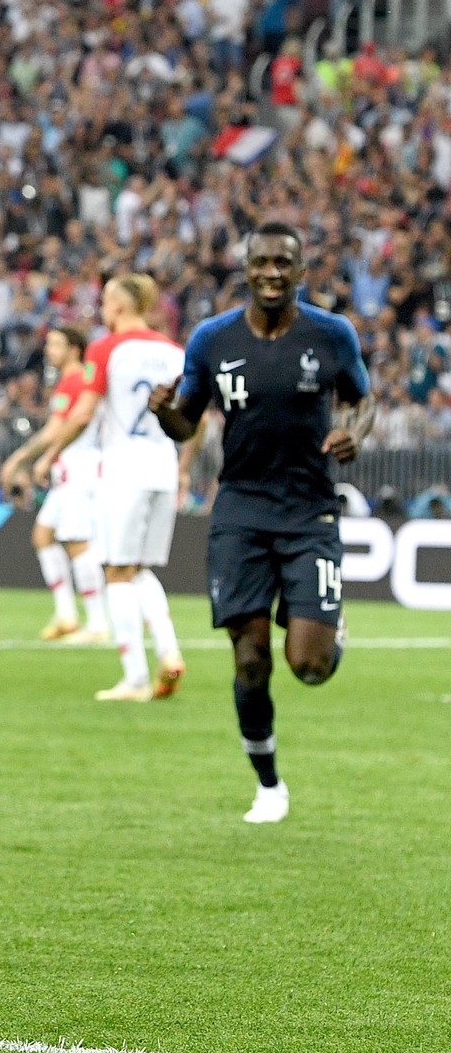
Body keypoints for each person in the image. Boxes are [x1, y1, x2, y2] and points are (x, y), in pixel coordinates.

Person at [150, 222, 373, 823]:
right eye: (261, 262)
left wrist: (356, 431)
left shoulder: (331, 334)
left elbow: (361, 394)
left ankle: (330, 627)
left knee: (310, 668)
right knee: (249, 660)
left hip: (309, 509)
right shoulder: (212, 339)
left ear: (302, 272)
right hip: (240, 509)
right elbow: (186, 425)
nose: (272, 273)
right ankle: (269, 783)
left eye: (284, 263)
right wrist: (165, 412)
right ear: (245, 268)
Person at [36, 274, 185, 702]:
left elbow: (83, 413)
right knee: (140, 569)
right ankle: (170, 651)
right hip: (164, 467)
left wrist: (50, 455)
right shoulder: (174, 351)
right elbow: (196, 421)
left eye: (104, 302)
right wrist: (187, 469)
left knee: (117, 571)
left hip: (125, 469)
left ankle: (135, 677)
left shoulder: (106, 348)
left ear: (118, 306)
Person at [0, 324, 109, 643]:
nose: (49, 351)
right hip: (70, 468)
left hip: (80, 468)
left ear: (74, 349)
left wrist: (20, 458)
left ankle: (98, 623)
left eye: (56, 345)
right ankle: (66, 616)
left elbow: (53, 431)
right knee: (43, 535)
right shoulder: (75, 380)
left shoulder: (74, 380)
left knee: (77, 543)